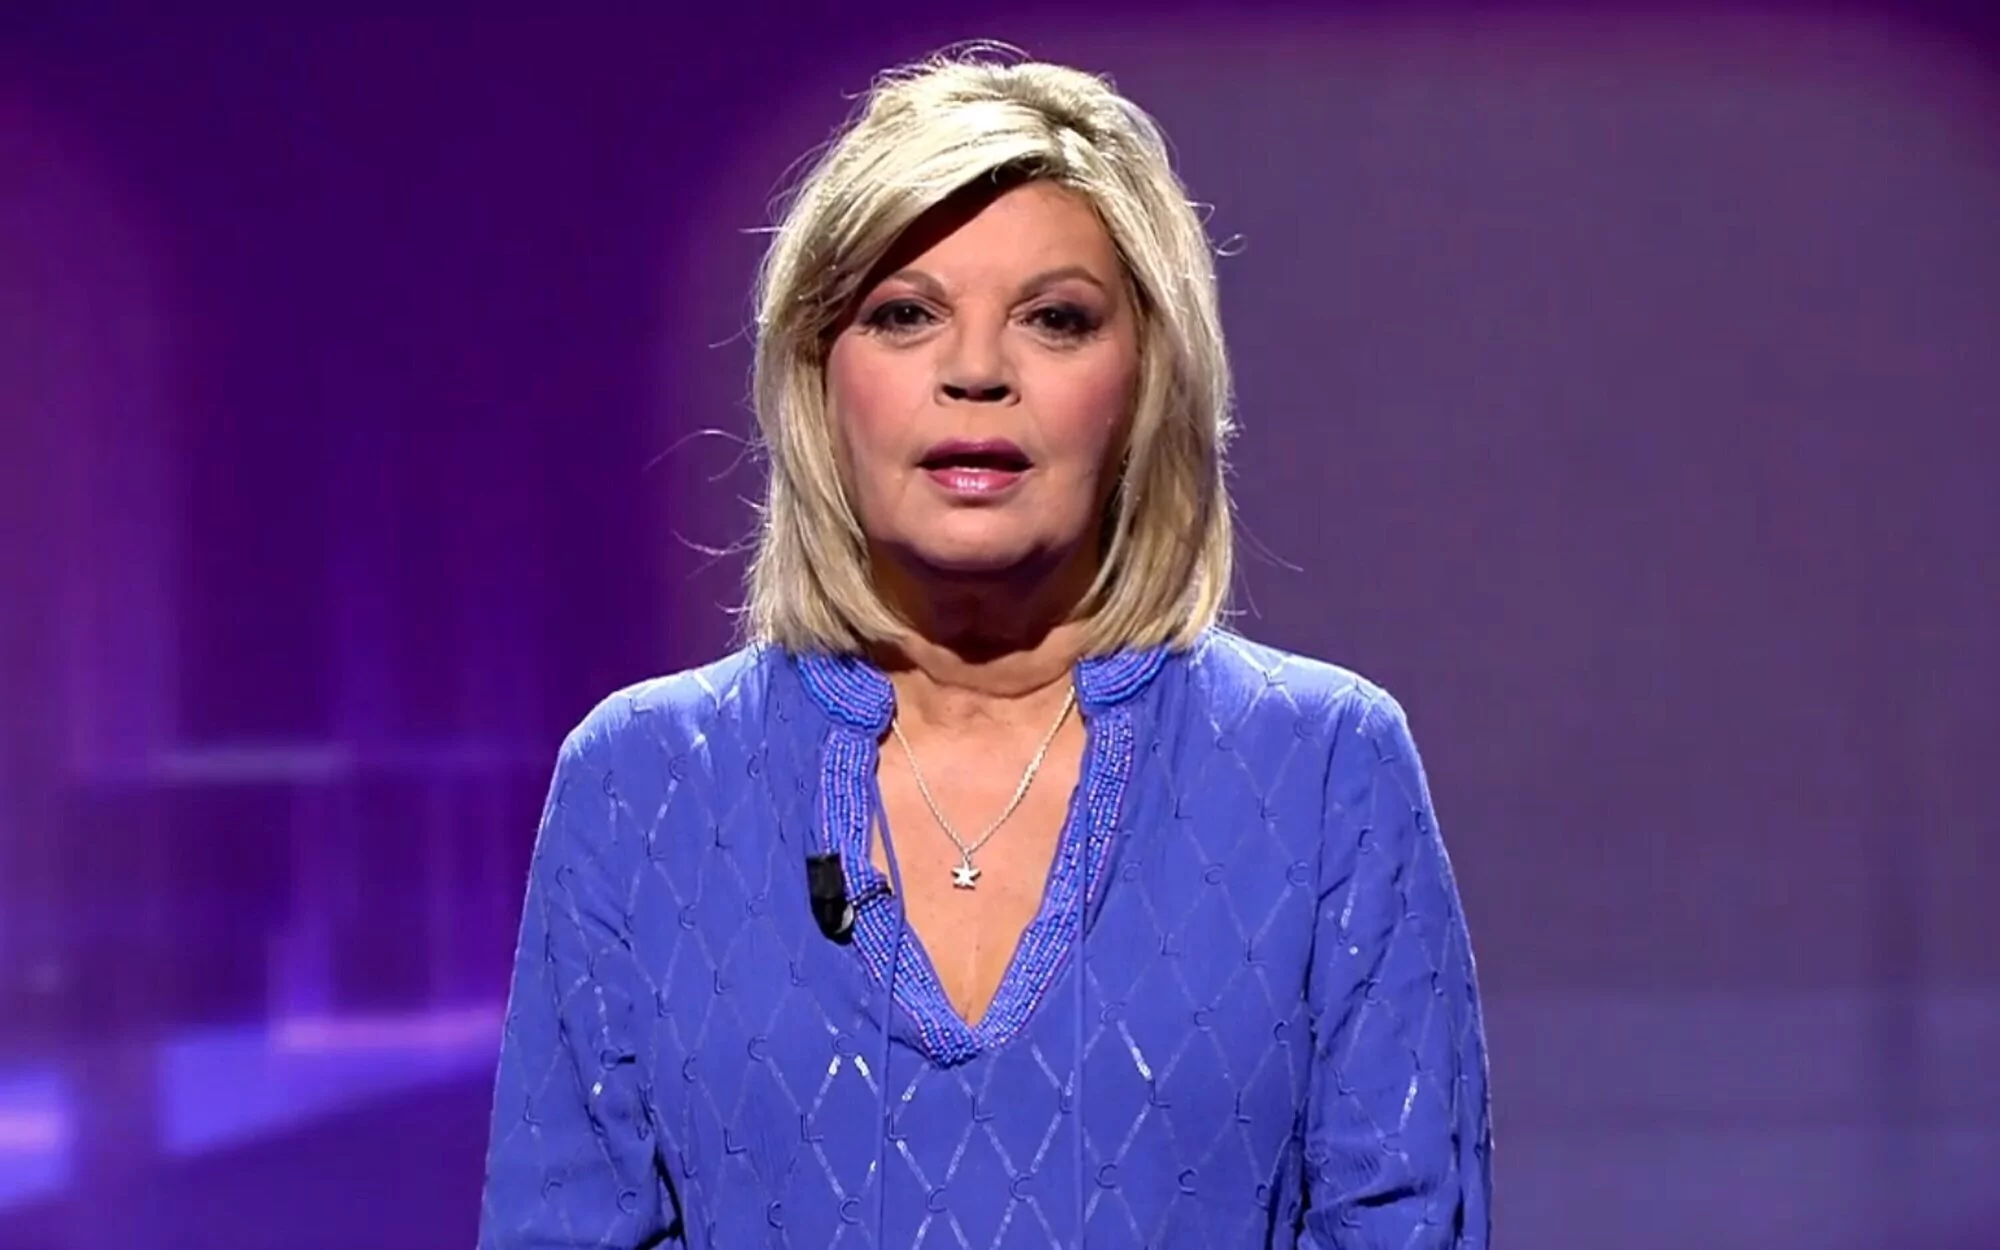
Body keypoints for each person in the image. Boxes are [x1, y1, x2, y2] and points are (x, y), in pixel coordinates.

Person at [476, 49, 1491, 1250]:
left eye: (1053, 319)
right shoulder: (641, 782)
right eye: (904, 314)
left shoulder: (1322, 768)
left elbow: (1400, 1222)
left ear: (1144, 384)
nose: (973, 372)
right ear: (817, 376)